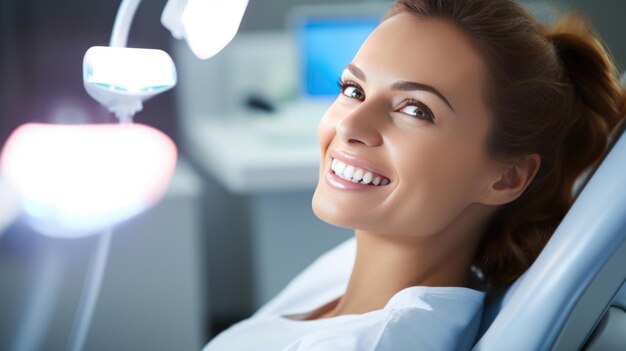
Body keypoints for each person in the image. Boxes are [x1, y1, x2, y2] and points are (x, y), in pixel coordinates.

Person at [204, 0, 626, 349]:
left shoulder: (377, 340)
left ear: (508, 177)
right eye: (353, 90)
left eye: (415, 110)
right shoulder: (355, 264)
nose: (349, 126)